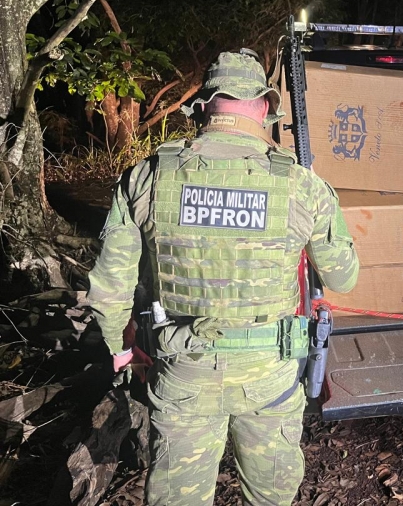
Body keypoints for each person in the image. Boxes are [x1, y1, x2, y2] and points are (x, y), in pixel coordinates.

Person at [87, 49, 360, 506]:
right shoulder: (301, 184)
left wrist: (120, 348)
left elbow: (111, 284)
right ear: (265, 105)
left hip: (182, 371)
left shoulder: (148, 177)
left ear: (204, 106)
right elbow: (343, 276)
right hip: (268, 376)